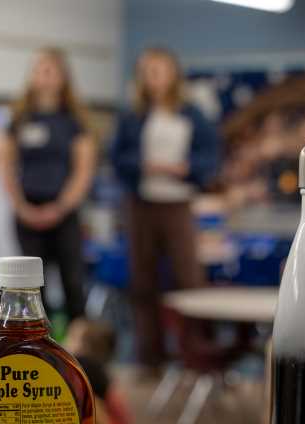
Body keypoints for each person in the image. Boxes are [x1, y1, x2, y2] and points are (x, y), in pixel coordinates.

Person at [109, 47, 219, 371]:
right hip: (141, 203)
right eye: (148, 70)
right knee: (143, 282)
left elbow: (210, 156)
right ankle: (149, 358)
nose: (154, 76)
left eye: (160, 69)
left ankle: (197, 355)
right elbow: (117, 157)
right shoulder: (132, 115)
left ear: (173, 74)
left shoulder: (192, 114)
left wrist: (186, 168)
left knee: (189, 277)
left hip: (178, 203)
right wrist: (144, 165)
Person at [3, 47, 96, 320]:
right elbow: (7, 167)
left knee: (72, 284)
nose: (44, 76)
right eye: (39, 70)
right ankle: (38, 352)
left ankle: (79, 354)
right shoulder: (19, 119)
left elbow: (83, 171)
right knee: (32, 291)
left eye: (50, 70)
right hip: (27, 213)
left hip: (64, 213)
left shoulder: (74, 122)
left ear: (63, 77)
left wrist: (59, 208)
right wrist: (22, 207)